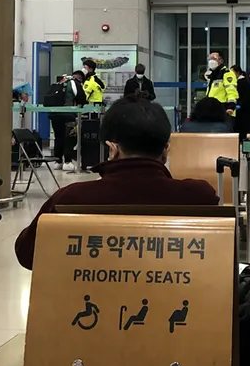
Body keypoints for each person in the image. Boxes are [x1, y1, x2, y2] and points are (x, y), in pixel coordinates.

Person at [14, 96, 219, 270]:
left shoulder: (70, 198)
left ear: (112, 149)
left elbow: (27, 255)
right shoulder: (199, 196)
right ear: (165, 151)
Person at [47, 72, 85, 169]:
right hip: (68, 115)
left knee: (58, 137)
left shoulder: (58, 84)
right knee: (69, 138)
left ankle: (58, 161)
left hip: (54, 115)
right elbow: (82, 98)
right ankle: (67, 162)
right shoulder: (74, 84)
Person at [205, 52, 239, 116]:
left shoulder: (227, 73)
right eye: (209, 59)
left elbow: (231, 91)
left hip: (224, 110)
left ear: (221, 60)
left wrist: (231, 106)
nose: (211, 61)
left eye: (214, 58)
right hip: (213, 110)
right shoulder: (212, 75)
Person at [232, 63, 250, 138]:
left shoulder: (242, 82)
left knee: (244, 128)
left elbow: (245, 97)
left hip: (244, 110)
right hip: (242, 108)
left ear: (237, 72)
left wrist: (239, 105)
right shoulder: (239, 81)